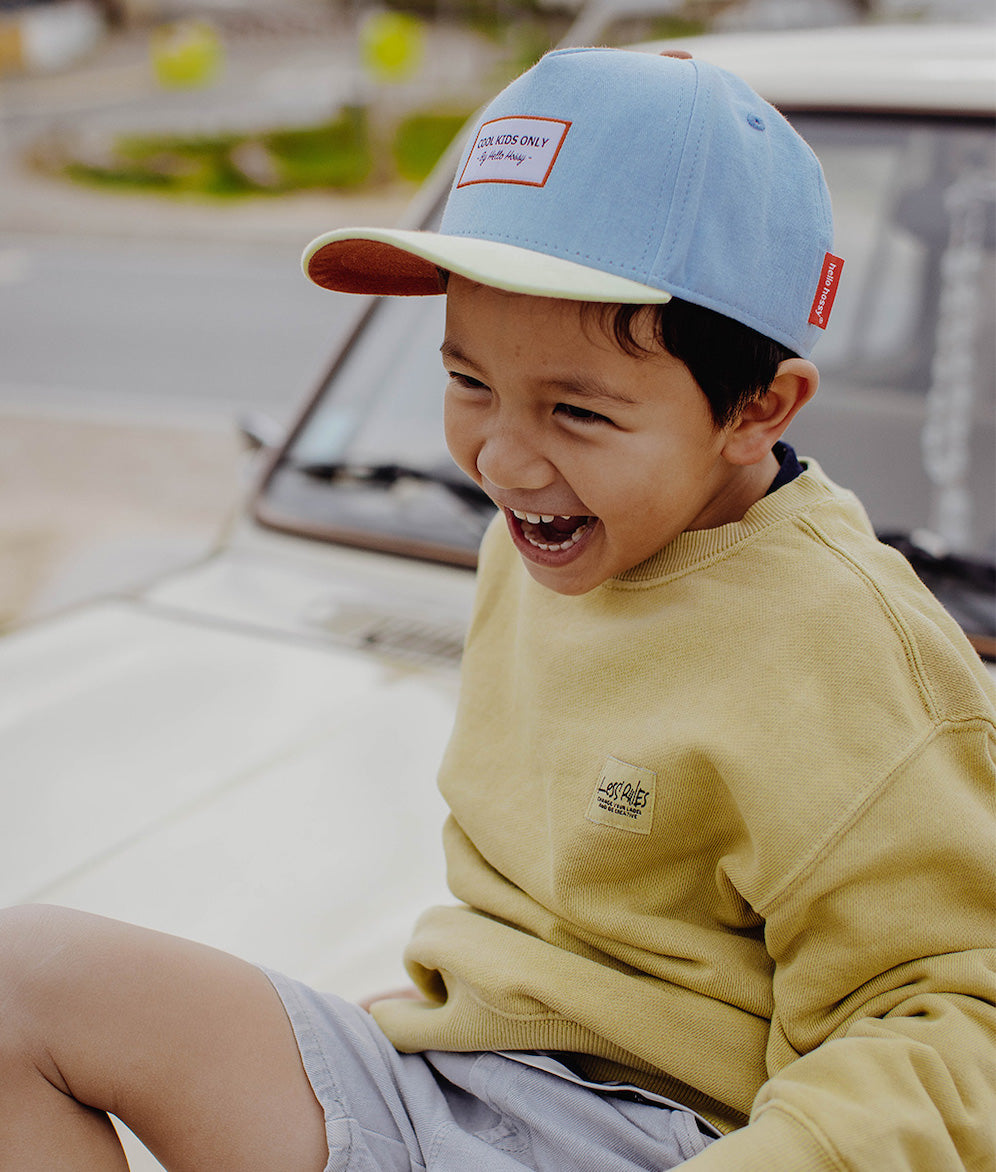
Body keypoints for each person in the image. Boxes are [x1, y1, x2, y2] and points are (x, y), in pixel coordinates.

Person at [1, 46, 994, 1172]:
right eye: (469, 382)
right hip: (446, 1074)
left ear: (759, 407)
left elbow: (951, 1011)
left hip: (659, 1133)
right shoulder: (544, 538)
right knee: (21, 982)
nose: (504, 459)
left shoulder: (850, 643)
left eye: (577, 411)